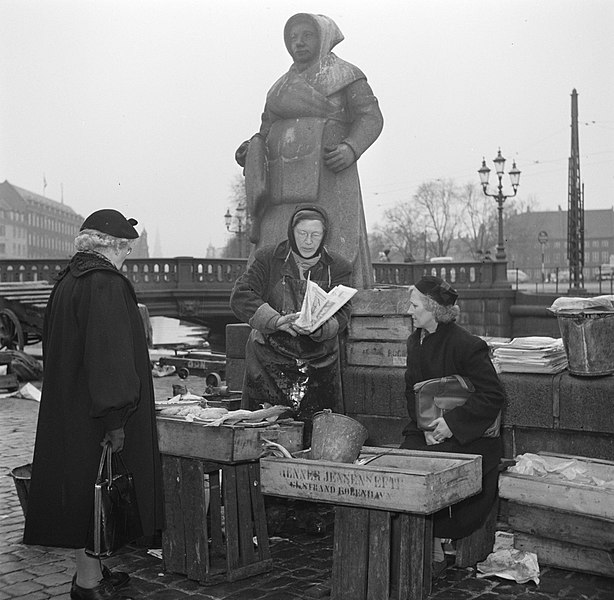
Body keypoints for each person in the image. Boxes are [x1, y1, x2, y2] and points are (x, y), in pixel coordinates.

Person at [24, 209, 164, 600]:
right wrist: (116, 419)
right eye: (127, 251)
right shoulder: (105, 283)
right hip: (98, 413)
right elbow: (110, 358)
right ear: (114, 246)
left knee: (84, 491)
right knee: (96, 494)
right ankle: (88, 585)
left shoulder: (70, 280)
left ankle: (93, 572)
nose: (127, 259)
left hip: (73, 406)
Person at [235, 12, 383, 289]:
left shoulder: (347, 76)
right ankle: (276, 295)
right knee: (277, 241)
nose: (298, 43)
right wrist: (251, 149)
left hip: (330, 174)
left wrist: (351, 148)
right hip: (281, 184)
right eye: (292, 37)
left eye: (307, 35)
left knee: (334, 242)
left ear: (323, 37)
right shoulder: (278, 89)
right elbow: (265, 131)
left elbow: (371, 117)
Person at [400, 275, 505, 577]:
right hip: (427, 430)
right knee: (406, 461)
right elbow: (411, 392)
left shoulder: (467, 345)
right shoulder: (415, 341)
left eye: (415, 304)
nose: (410, 310)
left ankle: (431, 549)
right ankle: (419, 544)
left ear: (433, 309)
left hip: (469, 436)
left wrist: (450, 425)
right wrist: (424, 427)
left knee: (443, 471)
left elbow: (492, 395)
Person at [230, 205, 352, 446]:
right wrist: (275, 321)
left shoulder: (338, 266)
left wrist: (321, 328)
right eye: (302, 234)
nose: (308, 241)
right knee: (264, 437)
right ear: (291, 232)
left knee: (315, 438)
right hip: (269, 362)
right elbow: (241, 295)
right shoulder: (268, 258)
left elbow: (344, 311)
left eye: (315, 235)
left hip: (320, 364)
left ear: (324, 235)